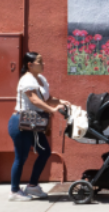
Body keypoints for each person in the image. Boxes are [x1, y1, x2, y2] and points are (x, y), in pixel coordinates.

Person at [9, 52, 70, 201]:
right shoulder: (27, 79)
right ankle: (15, 191)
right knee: (21, 157)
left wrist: (62, 102)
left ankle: (32, 186)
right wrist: (51, 109)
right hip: (21, 122)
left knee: (45, 152)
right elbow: (34, 99)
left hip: (34, 123)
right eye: (40, 62)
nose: (44, 64)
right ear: (30, 65)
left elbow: (47, 98)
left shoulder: (41, 79)